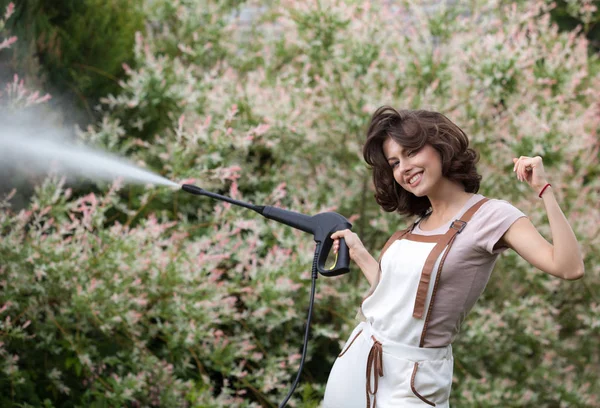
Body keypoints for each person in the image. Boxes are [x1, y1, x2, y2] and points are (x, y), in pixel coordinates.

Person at [322, 106, 584, 408]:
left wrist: (545, 190)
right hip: (358, 361)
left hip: (414, 382)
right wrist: (358, 252)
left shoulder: (491, 216)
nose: (403, 168)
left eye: (411, 152)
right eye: (395, 162)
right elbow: (395, 299)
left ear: (441, 146)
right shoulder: (420, 223)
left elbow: (569, 266)